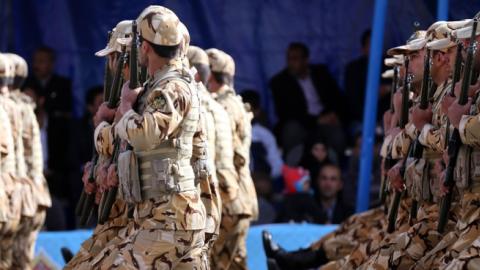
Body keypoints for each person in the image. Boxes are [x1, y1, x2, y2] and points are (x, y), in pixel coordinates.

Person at [88, 6, 208, 269]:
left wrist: (126, 109)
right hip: (163, 216)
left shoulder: (173, 86)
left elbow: (144, 135)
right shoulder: (162, 84)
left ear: (145, 49)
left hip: (170, 219)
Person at [207, 48, 258, 269]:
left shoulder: (222, 107)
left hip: (229, 198)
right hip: (238, 197)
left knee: (219, 264)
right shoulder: (235, 103)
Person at [5, 52, 52, 269]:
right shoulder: (24, 107)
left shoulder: (7, 108)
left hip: (9, 194)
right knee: (20, 260)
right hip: (29, 193)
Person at [269, 42, 345, 156]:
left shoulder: (321, 73)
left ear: (306, 60)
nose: (291, 63)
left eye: (295, 59)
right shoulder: (279, 82)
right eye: (289, 59)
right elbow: (285, 113)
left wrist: (333, 115)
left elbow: (337, 98)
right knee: (291, 130)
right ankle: (293, 170)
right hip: (301, 123)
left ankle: (332, 168)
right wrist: (316, 120)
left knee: (337, 133)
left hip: (325, 120)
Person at [23, 46, 73, 211]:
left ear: (51, 63)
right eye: (36, 61)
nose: (38, 65)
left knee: (58, 206)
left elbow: (66, 116)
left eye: (42, 61)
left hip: (56, 158)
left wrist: (47, 114)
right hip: (29, 169)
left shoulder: (62, 85)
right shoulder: (26, 84)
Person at [67, 85, 103, 229]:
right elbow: (72, 159)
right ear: (90, 107)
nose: (106, 105)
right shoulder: (78, 129)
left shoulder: (117, 125)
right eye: (100, 102)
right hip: (85, 189)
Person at [241, 89, 283, 179]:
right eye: (241, 110)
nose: (244, 114)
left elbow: (277, 165)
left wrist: (266, 177)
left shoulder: (265, 135)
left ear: (257, 111)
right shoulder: (230, 133)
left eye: (248, 111)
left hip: (262, 179)